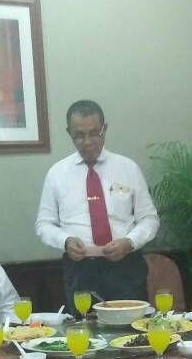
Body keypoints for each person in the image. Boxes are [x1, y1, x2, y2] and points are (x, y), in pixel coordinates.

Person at [35, 99, 160, 309]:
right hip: (80, 270)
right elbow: (44, 224)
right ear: (69, 133)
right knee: (84, 328)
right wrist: (65, 241)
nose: (87, 142)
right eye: (79, 135)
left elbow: (149, 219)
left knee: (131, 326)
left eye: (94, 133)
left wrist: (129, 242)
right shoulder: (57, 174)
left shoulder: (128, 168)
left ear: (105, 129)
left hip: (125, 267)